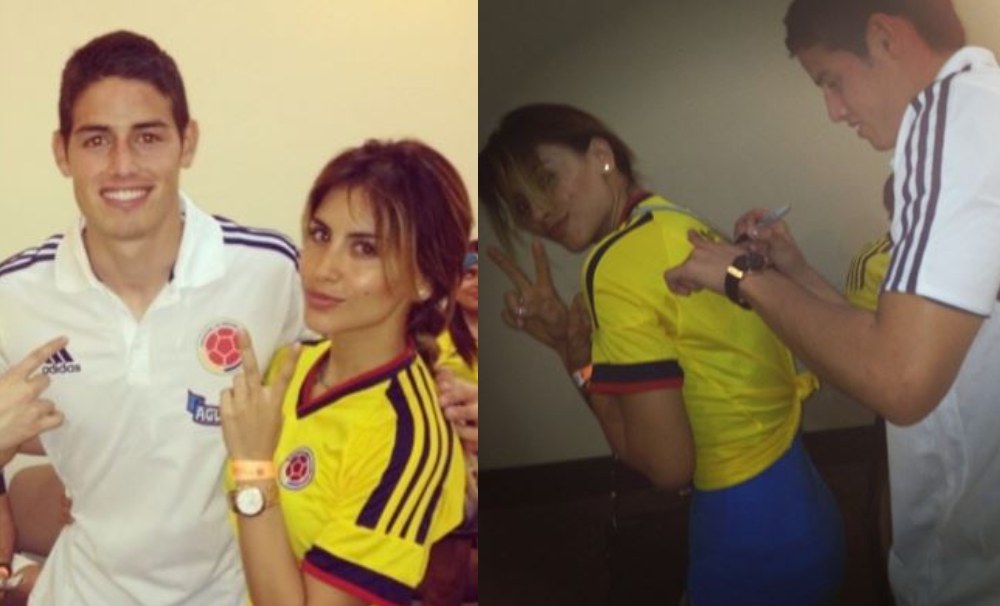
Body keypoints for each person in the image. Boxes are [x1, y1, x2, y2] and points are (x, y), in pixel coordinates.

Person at [664, 1, 1000, 603]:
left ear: (885, 37)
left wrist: (742, 277)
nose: (834, 110)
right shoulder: (980, 111)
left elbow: (897, 378)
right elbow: (897, 338)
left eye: (832, 81)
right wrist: (791, 271)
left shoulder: (949, 122)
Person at [481, 103, 843, 606]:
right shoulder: (674, 219)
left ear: (601, 155)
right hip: (807, 505)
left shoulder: (612, 266)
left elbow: (667, 466)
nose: (539, 213)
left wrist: (573, 355)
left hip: (747, 539)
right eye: (522, 206)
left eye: (547, 179)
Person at [0, 30, 302, 604]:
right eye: (96, 140)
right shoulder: (14, 294)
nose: (123, 166)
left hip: (232, 594)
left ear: (187, 143)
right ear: (62, 152)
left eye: (148, 137)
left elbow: (363, 392)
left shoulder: (270, 271)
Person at [219, 139, 469, 606]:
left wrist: (254, 470)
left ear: (424, 278)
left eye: (365, 249)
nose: (323, 268)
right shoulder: (292, 365)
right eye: (320, 235)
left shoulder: (407, 440)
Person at [420, 239, 479, 606]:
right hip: (453, 473)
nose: (476, 282)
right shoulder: (435, 343)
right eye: (468, 274)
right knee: (445, 581)